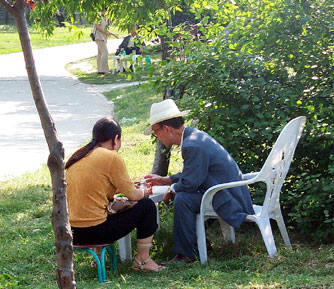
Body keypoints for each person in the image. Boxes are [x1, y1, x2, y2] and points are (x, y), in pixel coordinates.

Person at [143, 99, 255, 263]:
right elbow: (194, 172)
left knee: (183, 199)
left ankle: (187, 253)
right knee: (184, 197)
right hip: (227, 193)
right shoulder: (194, 137)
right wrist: (166, 180)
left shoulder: (192, 144)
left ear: (166, 129)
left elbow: (190, 183)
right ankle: (195, 246)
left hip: (230, 198)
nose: (156, 137)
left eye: (155, 132)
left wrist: (172, 189)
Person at [65, 117, 164, 272]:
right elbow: (134, 195)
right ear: (116, 139)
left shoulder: (77, 157)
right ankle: (142, 260)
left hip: (71, 233)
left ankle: (99, 257)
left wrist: (124, 188)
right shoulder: (111, 157)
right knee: (147, 206)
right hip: (96, 232)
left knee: (99, 210)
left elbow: (94, 189)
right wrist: (147, 190)